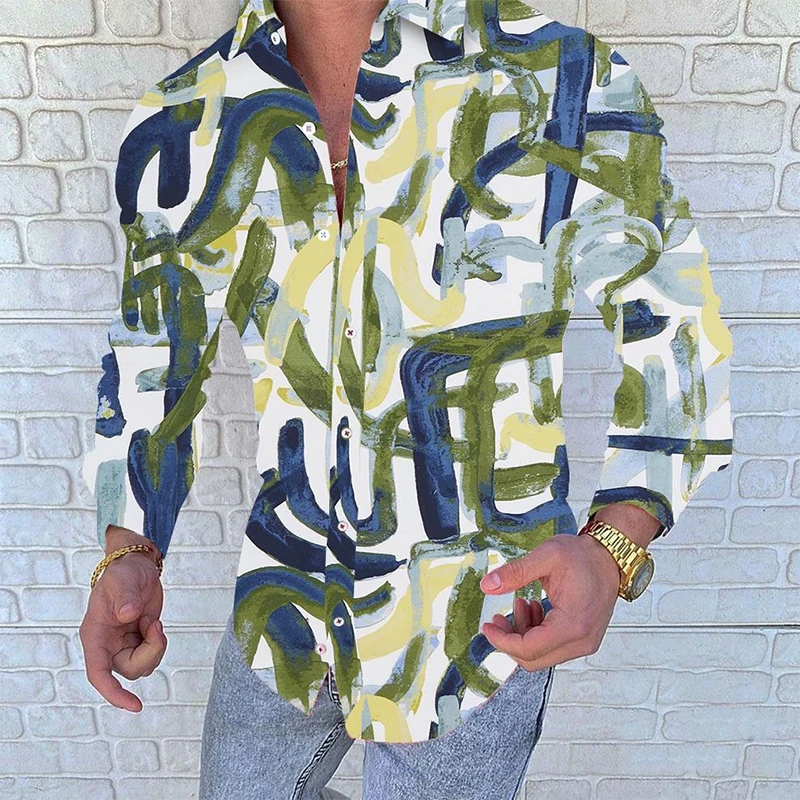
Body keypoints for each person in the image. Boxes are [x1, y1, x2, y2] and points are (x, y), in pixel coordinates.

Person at [78, 0, 734, 797]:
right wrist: (131, 549)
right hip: (283, 605)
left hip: (480, 630)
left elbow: (676, 324)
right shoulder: (185, 118)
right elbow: (154, 358)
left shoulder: (560, 77)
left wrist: (614, 546)